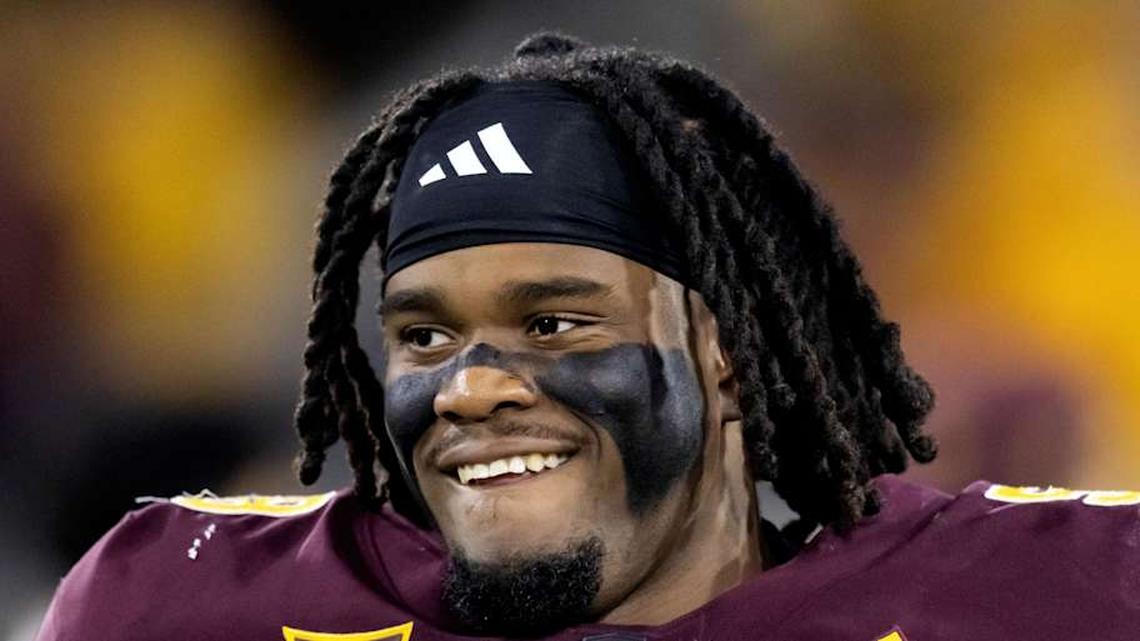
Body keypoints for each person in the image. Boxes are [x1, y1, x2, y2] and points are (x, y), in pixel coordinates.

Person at [36, 33, 1140, 641]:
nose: (469, 387)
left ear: (727, 350)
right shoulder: (187, 602)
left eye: (554, 321)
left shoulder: (1051, 591)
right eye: (423, 334)